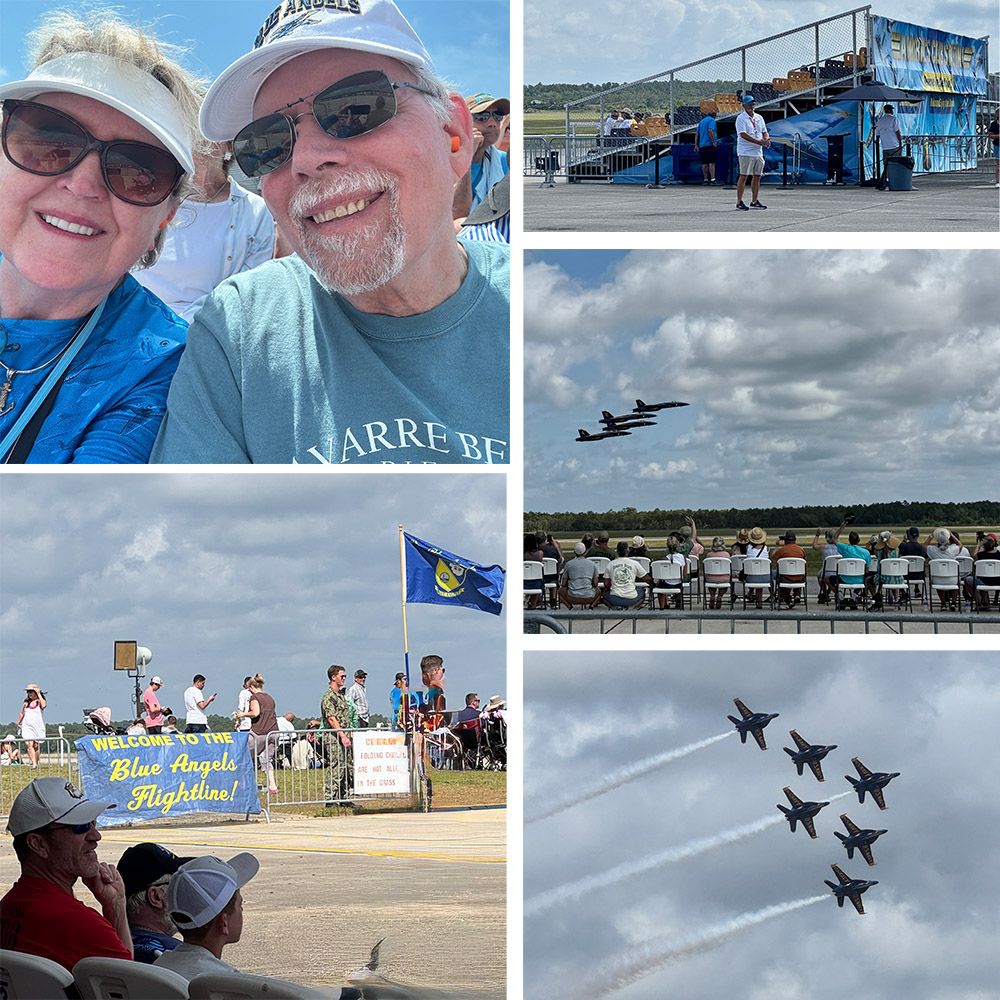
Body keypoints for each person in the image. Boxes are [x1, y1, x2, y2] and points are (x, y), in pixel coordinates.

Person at [150, 0, 509, 465]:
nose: (305, 159)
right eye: (267, 144)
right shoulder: (237, 331)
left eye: (356, 108)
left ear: (455, 135)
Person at [0, 9, 199, 463]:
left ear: (166, 216)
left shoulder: (163, 367)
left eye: (138, 170)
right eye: (49, 139)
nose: (83, 185)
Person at [134, 116, 275, 323]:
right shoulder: (149, 194)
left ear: (228, 146)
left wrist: (179, 329)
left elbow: (246, 291)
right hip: (133, 322)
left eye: (206, 130)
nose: (196, 139)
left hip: (208, 331)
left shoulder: (256, 211)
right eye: (188, 129)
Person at [1, 777, 132, 968]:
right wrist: (116, 906)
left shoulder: (8, 906)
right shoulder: (77, 923)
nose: (96, 836)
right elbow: (127, 983)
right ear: (38, 844)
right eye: (80, 826)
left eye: (94, 823)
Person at [153, 853, 259, 980]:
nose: (241, 910)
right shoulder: (230, 983)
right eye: (240, 905)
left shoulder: (158, 968)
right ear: (223, 923)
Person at [118, 842, 193, 963]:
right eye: (175, 885)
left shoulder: (112, 944)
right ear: (156, 897)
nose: (182, 892)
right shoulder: (178, 956)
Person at [454, 93, 509, 218]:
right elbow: (457, 214)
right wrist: (467, 154)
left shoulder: (502, 160)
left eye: (497, 116)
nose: (492, 123)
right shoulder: (447, 158)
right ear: (464, 123)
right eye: (482, 117)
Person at [321, 664, 354, 804]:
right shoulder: (329, 697)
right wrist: (342, 735)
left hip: (344, 734)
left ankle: (344, 797)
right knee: (336, 766)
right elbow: (331, 718)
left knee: (346, 766)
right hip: (334, 737)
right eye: (342, 676)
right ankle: (330, 798)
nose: (344, 679)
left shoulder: (340, 696)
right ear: (333, 677)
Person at [734, 94, 769, 211]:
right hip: (746, 151)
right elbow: (743, 134)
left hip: (757, 152)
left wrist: (766, 139)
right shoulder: (741, 118)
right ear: (743, 105)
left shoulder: (759, 117)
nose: (751, 105)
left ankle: (755, 200)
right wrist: (759, 142)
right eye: (749, 103)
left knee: (757, 176)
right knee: (744, 175)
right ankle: (739, 201)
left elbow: (764, 131)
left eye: (753, 103)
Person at [245, 673, 278, 794]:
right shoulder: (270, 697)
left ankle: (246, 783)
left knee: (246, 756)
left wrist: (243, 714)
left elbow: (255, 713)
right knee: (267, 759)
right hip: (273, 731)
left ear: (252, 687)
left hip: (259, 732)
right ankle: (272, 786)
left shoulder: (255, 698)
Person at [603, 540, 652, 609]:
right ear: (628, 551)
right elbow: (647, 579)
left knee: (604, 596)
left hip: (615, 598)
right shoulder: (634, 563)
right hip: (631, 598)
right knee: (642, 593)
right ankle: (632, 607)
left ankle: (614, 607)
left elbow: (606, 583)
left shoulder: (610, 564)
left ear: (617, 551)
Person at [559, 541, 600, 608]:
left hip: (572, 596)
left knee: (560, 592)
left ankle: (570, 607)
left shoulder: (569, 564)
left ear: (574, 552)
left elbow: (563, 584)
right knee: (599, 591)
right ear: (585, 552)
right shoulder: (592, 564)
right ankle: (591, 606)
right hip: (589, 596)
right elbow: (595, 584)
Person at [771, 531, 806, 608]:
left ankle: (788, 600)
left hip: (786, 578)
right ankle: (797, 594)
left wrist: (777, 547)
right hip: (800, 578)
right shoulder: (801, 550)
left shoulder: (782, 550)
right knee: (797, 571)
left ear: (785, 540)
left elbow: (774, 559)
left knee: (779, 577)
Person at [965, 534, 1000, 608]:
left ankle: (981, 601)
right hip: (997, 581)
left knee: (967, 580)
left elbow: (974, 555)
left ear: (983, 546)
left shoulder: (980, 555)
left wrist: (978, 546)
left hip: (983, 581)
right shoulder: (999, 555)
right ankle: (987, 602)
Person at [17, 683, 45, 768]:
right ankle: (33, 763)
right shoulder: (26, 703)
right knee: (29, 744)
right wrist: (18, 722)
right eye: (28, 692)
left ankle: (35, 761)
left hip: (37, 726)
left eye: (31, 692)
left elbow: (44, 705)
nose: (29, 694)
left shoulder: (39, 702)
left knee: (36, 745)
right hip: (27, 725)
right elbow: (22, 713)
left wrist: (39, 694)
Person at [874, 103, 902, 191]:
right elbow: (897, 131)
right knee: (896, 164)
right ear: (891, 111)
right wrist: (900, 142)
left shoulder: (880, 120)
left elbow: (877, 134)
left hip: (885, 146)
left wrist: (878, 141)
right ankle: (896, 181)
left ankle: (884, 181)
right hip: (894, 145)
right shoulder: (894, 119)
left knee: (886, 165)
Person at [813, 528, 841, 604]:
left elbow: (814, 546)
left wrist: (817, 535)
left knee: (820, 576)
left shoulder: (824, 547)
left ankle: (825, 593)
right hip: (839, 572)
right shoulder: (841, 547)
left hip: (826, 572)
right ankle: (828, 593)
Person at [899, 526, 927, 601]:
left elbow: (899, 549)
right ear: (918, 536)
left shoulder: (903, 546)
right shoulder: (921, 547)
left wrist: (904, 540)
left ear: (909, 536)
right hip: (919, 575)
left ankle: (904, 593)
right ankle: (916, 588)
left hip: (905, 575)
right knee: (916, 565)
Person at [694, 107, 717, 183]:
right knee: (711, 162)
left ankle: (705, 179)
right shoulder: (712, 120)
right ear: (714, 115)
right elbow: (710, 130)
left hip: (702, 144)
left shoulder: (702, 121)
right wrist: (713, 141)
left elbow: (697, 134)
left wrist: (696, 145)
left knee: (704, 162)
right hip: (709, 144)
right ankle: (713, 179)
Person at [989, 108, 999, 188]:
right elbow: (990, 135)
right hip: (997, 145)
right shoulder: (994, 124)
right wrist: (998, 136)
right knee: (998, 165)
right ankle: (997, 181)